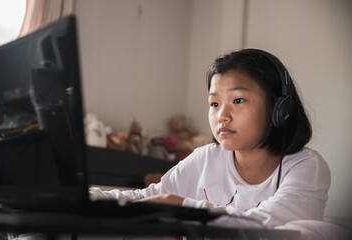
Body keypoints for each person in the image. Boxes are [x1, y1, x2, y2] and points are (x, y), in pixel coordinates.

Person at [90, 49, 331, 228]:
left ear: (280, 109)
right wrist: (89, 194)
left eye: (238, 100)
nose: (222, 116)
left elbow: (264, 225)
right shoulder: (205, 158)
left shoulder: (306, 167)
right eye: (214, 104)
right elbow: (148, 197)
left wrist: (181, 205)